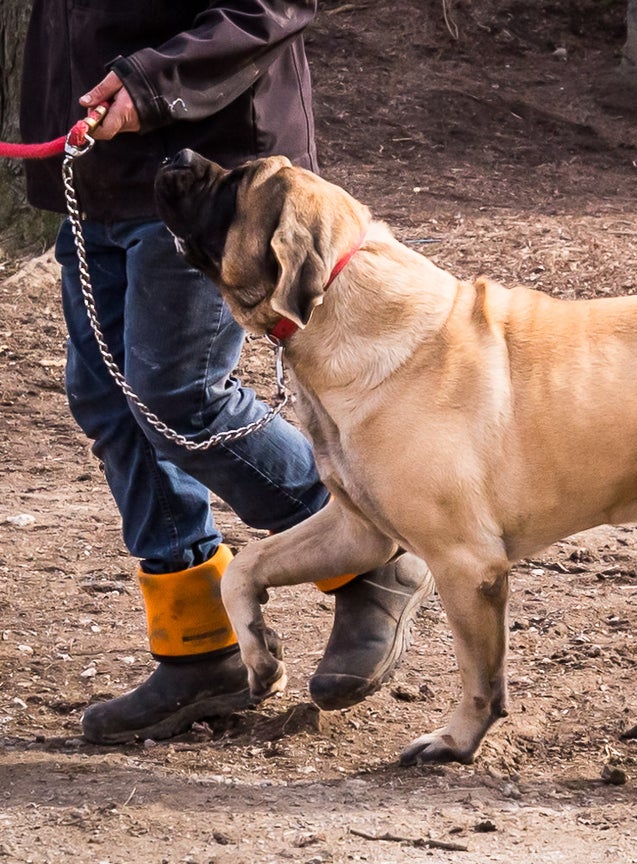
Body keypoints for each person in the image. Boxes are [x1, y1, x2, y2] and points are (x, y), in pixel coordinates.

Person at [19, 0, 434, 744]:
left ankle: (371, 553)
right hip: (97, 167)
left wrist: (151, 82)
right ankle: (197, 650)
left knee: (177, 395)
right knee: (110, 403)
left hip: (216, 171)